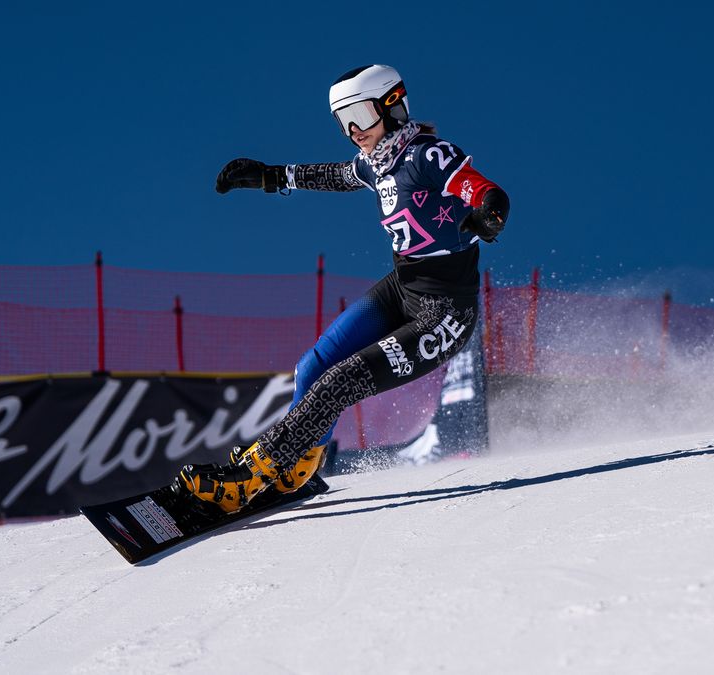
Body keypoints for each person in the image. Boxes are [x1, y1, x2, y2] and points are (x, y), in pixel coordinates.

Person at [175, 65, 509, 513]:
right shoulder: (376, 163)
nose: (353, 131)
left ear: (392, 107)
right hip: (403, 288)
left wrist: (488, 213)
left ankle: (251, 475)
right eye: (342, 119)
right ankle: (299, 469)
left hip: (445, 314)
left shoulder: (426, 155)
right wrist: (274, 177)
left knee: (342, 381)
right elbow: (335, 175)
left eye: (360, 115)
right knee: (313, 367)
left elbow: (485, 191)